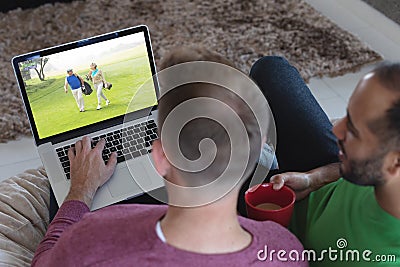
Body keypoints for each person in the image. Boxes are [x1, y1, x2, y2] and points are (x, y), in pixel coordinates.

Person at [32, 48, 307, 266]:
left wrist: (80, 191)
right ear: (261, 151)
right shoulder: (284, 250)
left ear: (160, 156)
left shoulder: (92, 238)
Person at [249, 56, 400, 266]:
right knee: (271, 70)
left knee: (205, 175)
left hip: (285, 239)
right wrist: (315, 179)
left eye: (353, 131)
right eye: (347, 115)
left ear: (395, 163)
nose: (336, 129)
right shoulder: (374, 167)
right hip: (326, 176)